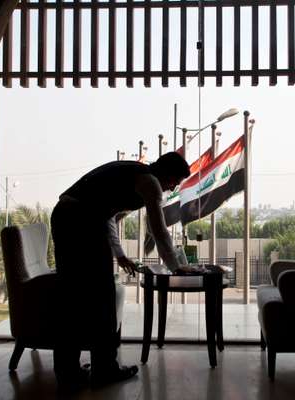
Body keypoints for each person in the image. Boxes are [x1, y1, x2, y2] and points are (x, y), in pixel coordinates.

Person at [50, 151, 191, 390]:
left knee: (71, 296)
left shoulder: (135, 172)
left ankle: (68, 371)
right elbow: (158, 228)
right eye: (174, 182)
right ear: (166, 174)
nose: (171, 188)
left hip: (64, 215)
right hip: (81, 220)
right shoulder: (150, 182)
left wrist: (119, 253)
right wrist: (177, 266)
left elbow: (108, 216)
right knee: (102, 296)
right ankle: (105, 369)